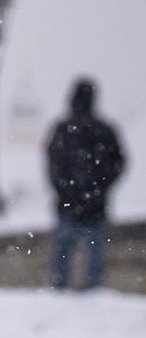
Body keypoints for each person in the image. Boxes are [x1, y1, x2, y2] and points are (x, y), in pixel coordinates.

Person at [46, 77, 126, 290]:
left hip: (74, 202)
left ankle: (62, 288)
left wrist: (66, 188)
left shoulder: (64, 129)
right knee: (91, 252)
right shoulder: (102, 130)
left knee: (66, 250)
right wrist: (99, 187)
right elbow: (118, 163)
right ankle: (89, 290)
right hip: (92, 203)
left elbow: (52, 164)